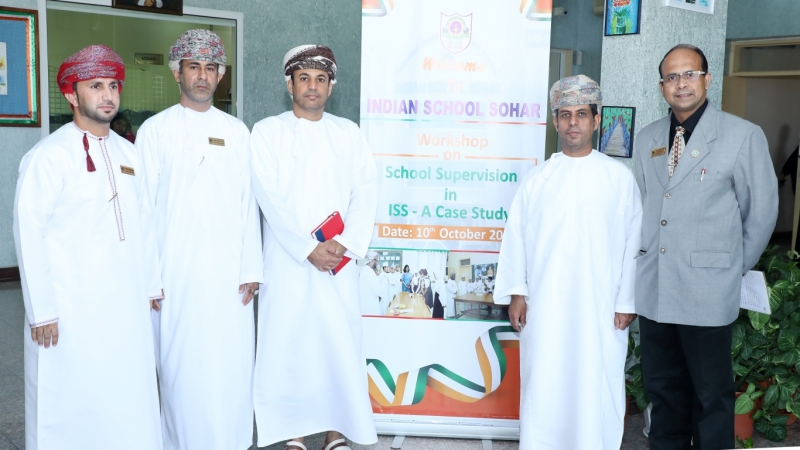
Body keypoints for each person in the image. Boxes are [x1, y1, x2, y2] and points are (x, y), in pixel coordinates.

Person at [13, 45, 162, 449]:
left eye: (113, 85)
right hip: (69, 306)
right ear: (70, 94)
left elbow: (145, 223)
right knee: (68, 398)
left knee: (125, 392)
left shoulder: (129, 153)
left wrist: (152, 285)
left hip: (126, 302)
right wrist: (41, 310)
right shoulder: (49, 156)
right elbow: (28, 231)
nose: (108, 95)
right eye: (95, 86)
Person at [634, 44, 778, 450]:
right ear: (662, 87)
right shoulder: (647, 139)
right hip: (656, 289)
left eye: (689, 74)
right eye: (671, 77)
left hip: (708, 290)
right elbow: (645, 206)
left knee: (711, 396)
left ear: (707, 79)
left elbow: (762, 212)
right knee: (663, 391)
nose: (681, 84)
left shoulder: (742, 135)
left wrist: (731, 268)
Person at [494, 74, 642, 449]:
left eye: (581, 114)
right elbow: (516, 239)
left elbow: (633, 243)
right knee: (545, 381)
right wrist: (517, 293)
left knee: (597, 382)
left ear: (596, 120)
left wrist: (626, 301)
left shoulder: (618, 178)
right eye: (565, 115)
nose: (573, 122)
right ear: (555, 122)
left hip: (601, 307)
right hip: (546, 306)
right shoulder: (537, 179)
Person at [136, 29, 263, 450]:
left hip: (229, 277)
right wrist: (149, 277)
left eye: (211, 68)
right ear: (178, 73)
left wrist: (251, 267)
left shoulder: (237, 131)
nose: (203, 76)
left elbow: (248, 204)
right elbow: (143, 209)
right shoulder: (155, 131)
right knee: (180, 370)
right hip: (175, 276)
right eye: (194, 67)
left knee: (230, 368)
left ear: (221, 75)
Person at [249, 44, 379, 450]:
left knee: (338, 345)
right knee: (288, 345)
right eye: (304, 78)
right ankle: (295, 435)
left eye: (321, 79)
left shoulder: (348, 133)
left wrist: (346, 244)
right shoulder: (267, 132)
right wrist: (307, 248)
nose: (312, 86)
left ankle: (337, 432)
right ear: (289, 84)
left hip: (339, 262)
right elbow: (268, 196)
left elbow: (366, 191)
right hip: (289, 262)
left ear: (330, 87)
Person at [359, 251, 382, 316]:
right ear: (372, 260)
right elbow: (377, 291)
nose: (377, 263)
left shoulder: (363, 271)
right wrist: (380, 295)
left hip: (365, 305)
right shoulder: (370, 272)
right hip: (371, 306)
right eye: (376, 260)